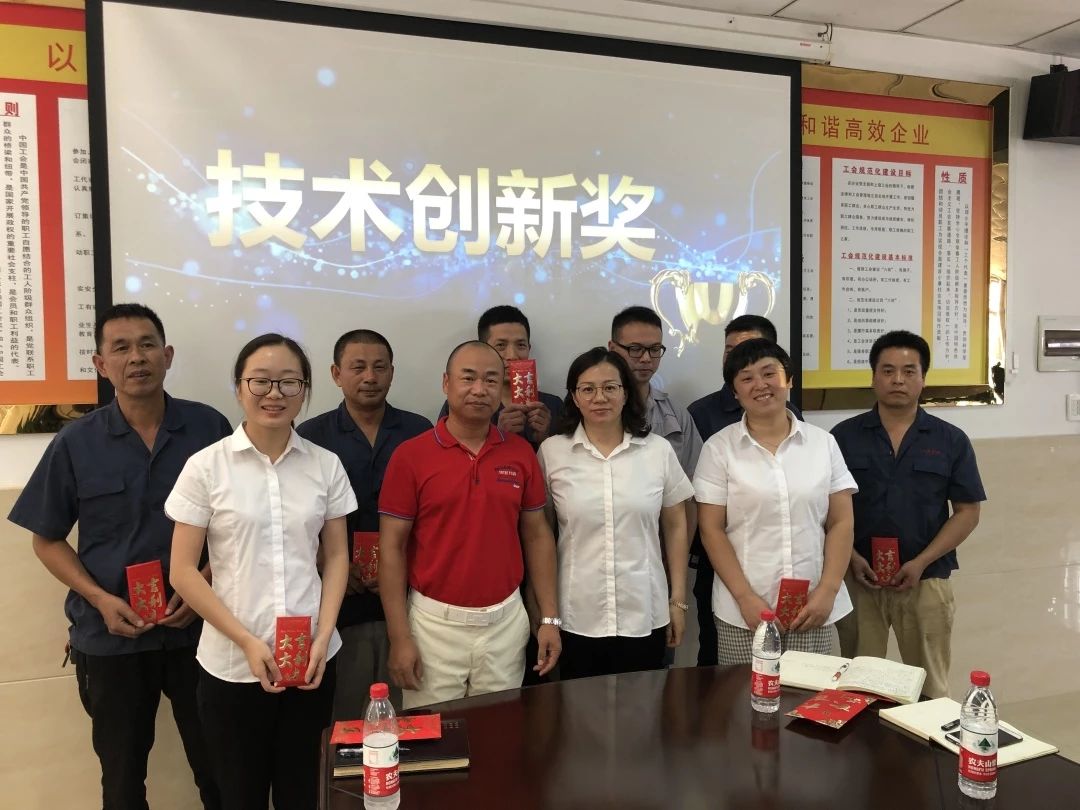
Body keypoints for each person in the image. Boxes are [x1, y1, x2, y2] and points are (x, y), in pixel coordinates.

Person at [7, 303, 229, 810]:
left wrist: (204, 581)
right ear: (101, 363)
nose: (136, 358)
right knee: (123, 779)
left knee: (219, 768)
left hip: (201, 630)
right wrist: (99, 599)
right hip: (111, 636)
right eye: (121, 348)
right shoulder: (75, 442)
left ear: (167, 355)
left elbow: (238, 524)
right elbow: (46, 539)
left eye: (147, 345)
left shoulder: (208, 427)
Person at [166, 333, 354, 809]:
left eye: (289, 382)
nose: (275, 393)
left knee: (303, 793)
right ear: (238, 387)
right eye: (261, 381)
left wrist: (323, 634)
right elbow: (183, 572)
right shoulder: (206, 467)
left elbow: (336, 557)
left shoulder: (325, 465)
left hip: (311, 661)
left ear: (305, 390)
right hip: (231, 667)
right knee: (239, 795)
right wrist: (247, 641)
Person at [379, 340, 561, 708]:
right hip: (433, 625)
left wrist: (549, 619)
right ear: (446, 383)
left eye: (491, 380)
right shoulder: (411, 456)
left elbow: (538, 536)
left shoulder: (520, 453)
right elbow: (392, 549)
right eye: (468, 378)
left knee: (499, 730)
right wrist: (400, 637)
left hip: (505, 623)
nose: (479, 389)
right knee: (434, 735)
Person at [831, 330, 985, 698]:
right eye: (888, 370)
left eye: (909, 371)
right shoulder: (842, 437)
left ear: (923, 378)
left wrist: (921, 561)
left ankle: (926, 740)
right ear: (873, 377)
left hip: (926, 580)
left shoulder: (950, 440)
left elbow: (967, 512)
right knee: (858, 685)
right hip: (859, 579)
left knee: (930, 687)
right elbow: (825, 509)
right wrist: (850, 558)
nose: (898, 380)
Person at [694, 339, 857, 664]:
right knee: (744, 695)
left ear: (789, 379)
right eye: (747, 378)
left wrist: (828, 590)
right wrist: (744, 597)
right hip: (744, 611)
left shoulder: (823, 444)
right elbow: (711, 529)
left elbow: (841, 521)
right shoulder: (719, 448)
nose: (760, 385)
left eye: (769, 373)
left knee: (806, 694)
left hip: (812, 606)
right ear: (735, 391)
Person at [297, 329, 431, 718]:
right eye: (358, 367)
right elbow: (294, 515)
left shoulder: (419, 432)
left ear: (392, 372)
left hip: (408, 600)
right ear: (336, 374)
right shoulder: (311, 437)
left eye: (379, 367)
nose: (370, 377)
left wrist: (401, 561)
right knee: (342, 714)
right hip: (337, 602)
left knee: (406, 712)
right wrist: (328, 559)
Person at [538, 348, 694, 679]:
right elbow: (541, 535)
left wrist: (677, 601)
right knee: (579, 707)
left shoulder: (657, 450)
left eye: (610, 387)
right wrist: (546, 614)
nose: (600, 398)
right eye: (588, 389)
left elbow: (676, 525)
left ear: (626, 394)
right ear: (574, 397)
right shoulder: (552, 453)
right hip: (577, 614)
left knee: (644, 706)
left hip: (645, 612)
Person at [686, 315, 803, 665]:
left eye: (750, 348)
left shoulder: (795, 418)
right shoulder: (702, 413)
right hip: (720, 558)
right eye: (730, 350)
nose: (739, 356)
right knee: (718, 658)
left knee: (794, 670)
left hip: (788, 564)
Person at [439, 305, 563, 449]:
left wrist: (545, 440)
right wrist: (497, 435)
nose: (512, 356)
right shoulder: (466, 403)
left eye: (521, 345)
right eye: (500, 345)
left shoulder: (552, 405)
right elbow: (445, 455)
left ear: (529, 349)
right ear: (483, 349)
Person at [608, 305, 702, 477]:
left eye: (655, 349)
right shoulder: (595, 408)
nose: (646, 358)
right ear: (613, 349)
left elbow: (694, 479)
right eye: (635, 349)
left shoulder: (677, 415)